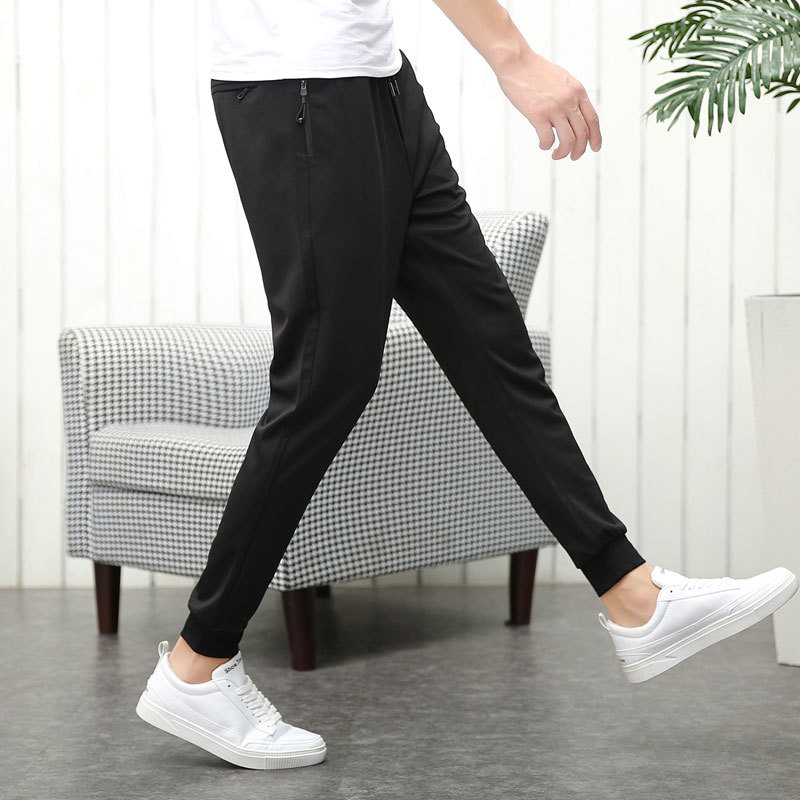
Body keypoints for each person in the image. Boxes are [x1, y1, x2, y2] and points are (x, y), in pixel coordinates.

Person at [135, 0, 799, 771]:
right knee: (324, 380)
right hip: (303, 91)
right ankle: (199, 660)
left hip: (378, 84)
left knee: (492, 347)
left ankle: (632, 594)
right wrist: (515, 58)